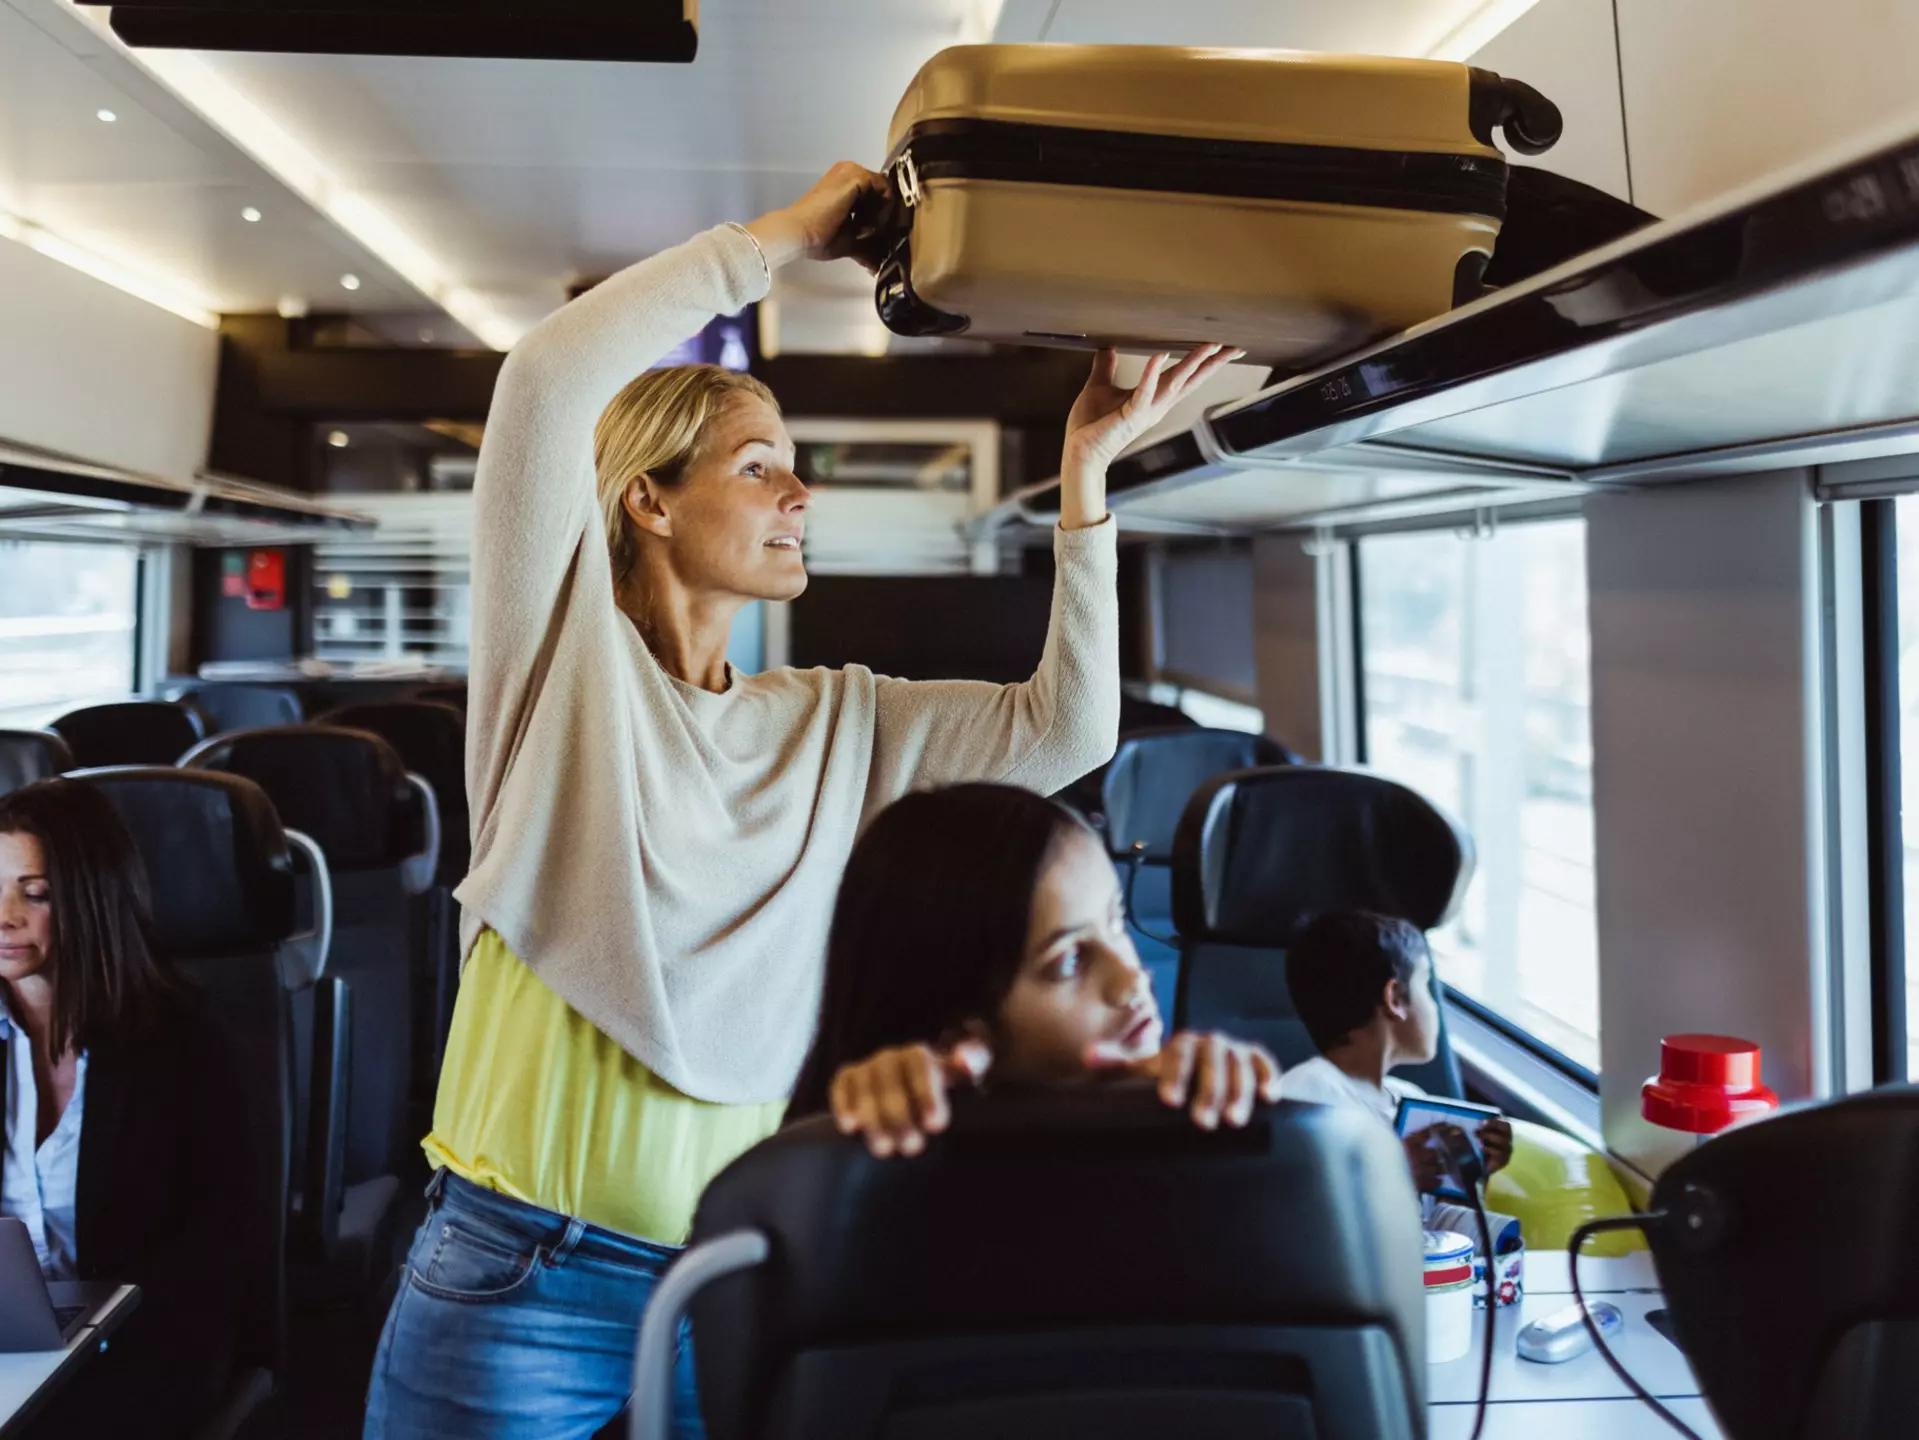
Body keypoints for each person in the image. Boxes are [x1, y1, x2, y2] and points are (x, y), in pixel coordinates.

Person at [364, 157, 1244, 1440]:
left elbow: (1066, 729)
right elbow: (545, 381)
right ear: (648, 498)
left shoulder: (838, 721)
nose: (800, 494)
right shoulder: (562, 680)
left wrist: (1086, 477)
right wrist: (782, 237)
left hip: (743, 1263)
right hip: (519, 1277)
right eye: (760, 465)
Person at [788, 783, 1282, 1151]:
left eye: (1116, 922)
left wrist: (1224, 1115)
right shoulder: (857, 1186)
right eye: (1069, 961)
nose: (1133, 978)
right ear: (954, 1038)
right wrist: (853, 1131)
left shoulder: (1181, 1127)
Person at [0, 779, 255, 1440]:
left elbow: (216, 1250)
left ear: (88, 896)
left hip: (135, 1356)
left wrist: (89, 1343)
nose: (4, 915)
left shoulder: (182, 1040)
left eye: (36, 893)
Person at [1279, 911, 1516, 1237]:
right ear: (1395, 999)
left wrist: (1472, 1174)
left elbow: (1428, 1220)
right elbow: (1298, 1221)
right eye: (1426, 986)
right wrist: (1398, 1174)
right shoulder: (1304, 1099)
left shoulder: (1410, 1098)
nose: (1433, 1007)